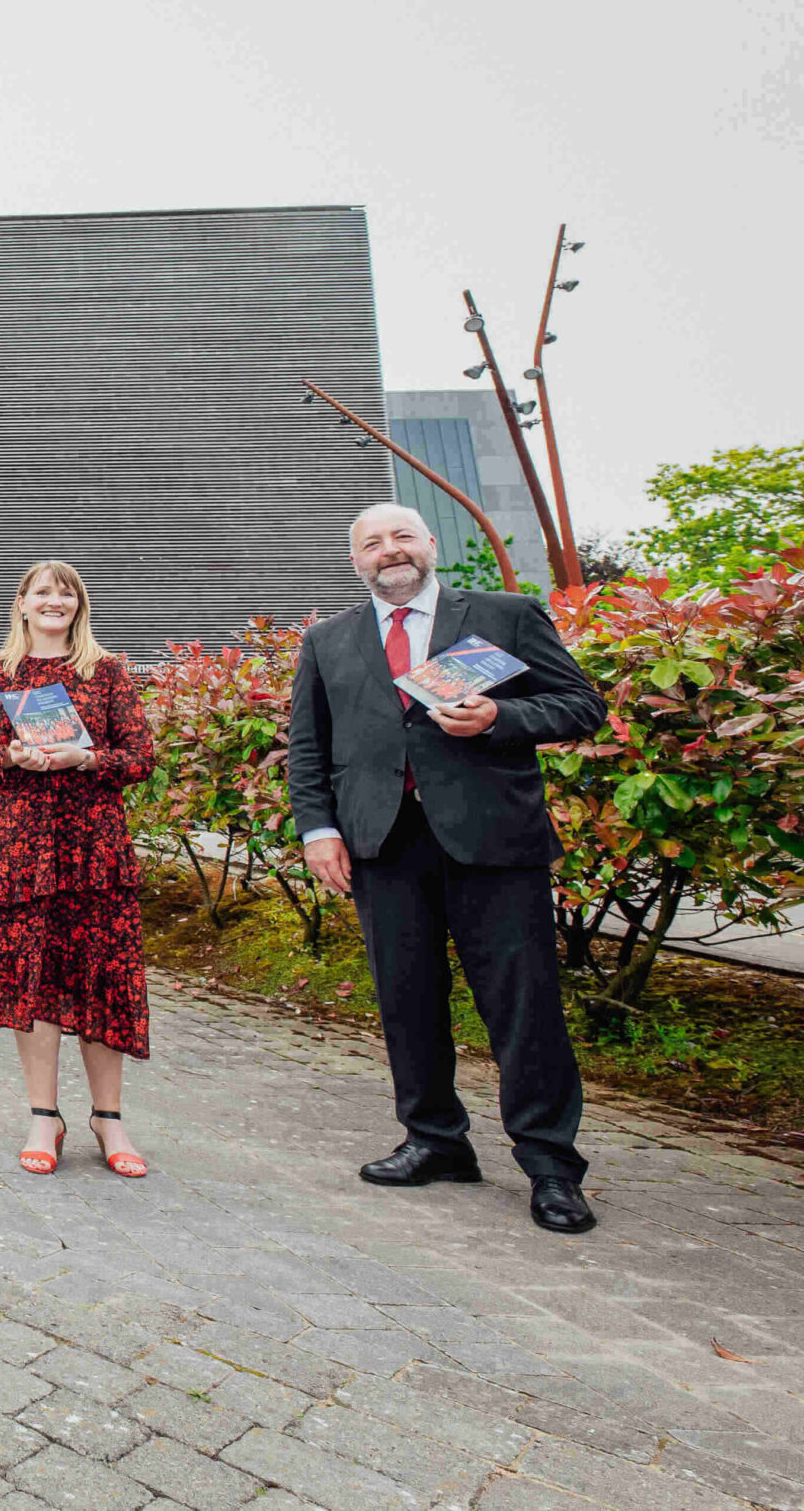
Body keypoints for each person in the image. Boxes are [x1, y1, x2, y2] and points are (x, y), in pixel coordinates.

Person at [290, 503, 606, 1233]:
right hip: (383, 842)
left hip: (492, 839)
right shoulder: (327, 640)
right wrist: (319, 830)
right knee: (408, 999)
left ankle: (552, 1164)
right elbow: (310, 749)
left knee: (523, 1003)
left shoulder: (505, 614)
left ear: (430, 544)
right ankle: (436, 1140)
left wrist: (501, 718)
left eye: (401, 536)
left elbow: (580, 704)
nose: (388, 551)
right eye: (370, 542)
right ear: (355, 561)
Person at [0, 562, 158, 1178]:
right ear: (21, 604)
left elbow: (142, 757)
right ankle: (45, 1114)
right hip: (16, 851)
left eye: (66, 592)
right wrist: (9, 755)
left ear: (80, 606)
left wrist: (84, 757)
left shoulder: (108, 671)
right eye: (42, 591)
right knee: (34, 980)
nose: (54, 600)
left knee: (101, 976)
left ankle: (108, 1118)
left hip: (92, 848)